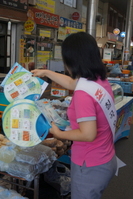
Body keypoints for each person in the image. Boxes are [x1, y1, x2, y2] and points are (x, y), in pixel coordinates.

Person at [31, 32, 117, 199]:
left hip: (90, 165)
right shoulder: (98, 81)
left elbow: (88, 134)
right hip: (105, 158)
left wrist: (59, 134)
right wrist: (46, 73)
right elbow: (71, 83)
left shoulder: (84, 94)